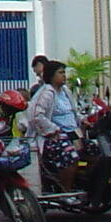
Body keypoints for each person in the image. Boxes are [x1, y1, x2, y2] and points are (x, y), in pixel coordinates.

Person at [25, 59, 81, 191]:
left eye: (64, 72)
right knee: (71, 158)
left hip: (73, 134)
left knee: (94, 151)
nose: (64, 76)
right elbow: (35, 116)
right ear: (51, 75)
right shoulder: (46, 93)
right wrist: (54, 130)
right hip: (53, 137)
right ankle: (65, 191)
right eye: (60, 73)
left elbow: (73, 111)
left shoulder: (65, 91)